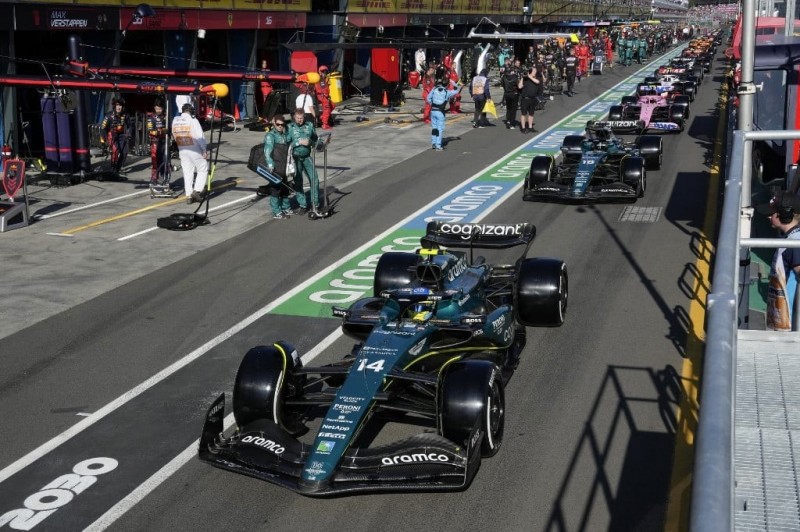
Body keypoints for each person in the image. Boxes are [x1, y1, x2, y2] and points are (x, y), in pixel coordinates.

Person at [757, 192, 800, 331]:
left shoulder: (794, 244)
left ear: (785, 215)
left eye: (773, 213)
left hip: (791, 321)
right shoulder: (791, 239)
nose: (769, 216)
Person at [171, 102, 208, 204]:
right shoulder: (193, 120)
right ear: (190, 111)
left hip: (182, 148)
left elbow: (174, 134)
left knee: (187, 172)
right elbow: (200, 136)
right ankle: (197, 190)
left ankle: (188, 196)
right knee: (203, 168)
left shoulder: (175, 120)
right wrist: (204, 149)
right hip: (194, 148)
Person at [287, 108, 319, 213]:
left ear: (304, 117)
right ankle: (303, 205)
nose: (300, 120)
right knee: (298, 182)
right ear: (294, 117)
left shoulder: (309, 126)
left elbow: (316, 140)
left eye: (301, 118)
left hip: (307, 157)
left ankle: (315, 203)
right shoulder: (290, 128)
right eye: (298, 118)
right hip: (295, 158)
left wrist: (311, 142)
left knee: (314, 179)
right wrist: (297, 142)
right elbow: (285, 144)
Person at [261, 116, 294, 220]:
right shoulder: (270, 136)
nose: (280, 126)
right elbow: (267, 152)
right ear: (274, 124)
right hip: (275, 167)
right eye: (278, 124)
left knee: (285, 188)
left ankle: (286, 207)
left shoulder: (284, 135)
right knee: (275, 189)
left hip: (284, 166)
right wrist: (270, 165)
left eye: (282, 125)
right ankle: (276, 211)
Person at [100, 97, 132, 179]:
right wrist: (104, 141)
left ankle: (117, 169)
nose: (119, 107)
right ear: (114, 106)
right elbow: (103, 128)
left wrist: (128, 133)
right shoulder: (109, 116)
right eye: (117, 105)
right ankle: (113, 169)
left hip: (121, 135)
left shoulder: (125, 115)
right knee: (115, 152)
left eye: (120, 105)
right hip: (112, 135)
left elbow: (129, 125)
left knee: (125, 152)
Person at [426, 75, 460, 151]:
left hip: (433, 111)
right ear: (447, 85)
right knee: (440, 129)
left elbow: (428, 98)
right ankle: (438, 145)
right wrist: (453, 82)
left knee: (434, 128)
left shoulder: (434, 89)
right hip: (440, 112)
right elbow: (457, 90)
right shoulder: (447, 92)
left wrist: (432, 104)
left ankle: (433, 143)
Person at [146, 98, 168, 186]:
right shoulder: (151, 118)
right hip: (155, 142)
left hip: (164, 142)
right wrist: (161, 131)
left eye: (160, 108)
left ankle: (165, 177)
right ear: (154, 108)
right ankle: (154, 178)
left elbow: (169, 129)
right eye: (157, 108)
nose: (158, 110)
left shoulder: (166, 117)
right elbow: (150, 131)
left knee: (165, 160)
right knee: (155, 161)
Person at [518, 65, 541, 134]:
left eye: (535, 71)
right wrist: (522, 78)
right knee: (523, 114)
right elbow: (519, 86)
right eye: (534, 71)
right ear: (530, 72)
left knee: (531, 114)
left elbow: (537, 82)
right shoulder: (525, 79)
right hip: (525, 99)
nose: (535, 72)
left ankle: (530, 127)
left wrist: (529, 76)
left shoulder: (536, 78)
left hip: (533, 99)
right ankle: (523, 128)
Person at [501, 59, 521, 129]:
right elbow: (519, 86)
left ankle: (508, 121)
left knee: (508, 108)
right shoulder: (515, 78)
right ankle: (512, 123)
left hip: (507, 93)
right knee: (513, 109)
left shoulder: (504, 77)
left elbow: (503, 85)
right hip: (514, 93)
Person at [315, 65, 335, 130]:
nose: (324, 72)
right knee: (327, 109)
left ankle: (322, 117)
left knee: (333, 105)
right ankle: (324, 124)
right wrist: (327, 96)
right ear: (320, 72)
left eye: (325, 71)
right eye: (323, 71)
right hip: (323, 96)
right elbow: (324, 90)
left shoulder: (324, 79)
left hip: (325, 96)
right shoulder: (321, 80)